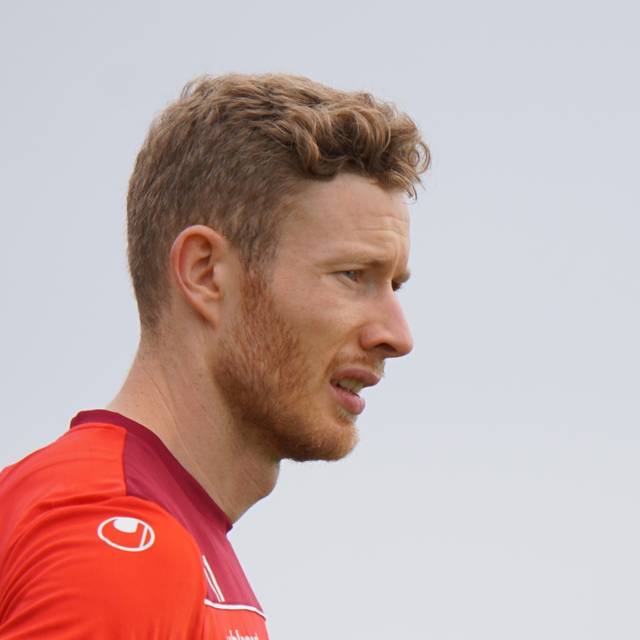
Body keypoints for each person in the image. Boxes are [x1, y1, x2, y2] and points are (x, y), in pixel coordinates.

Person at [0, 73, 429, 639]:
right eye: (352, 275)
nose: (397, 335)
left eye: (394, 285)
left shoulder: (161, 532)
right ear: (205, 273)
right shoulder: (118, 541)